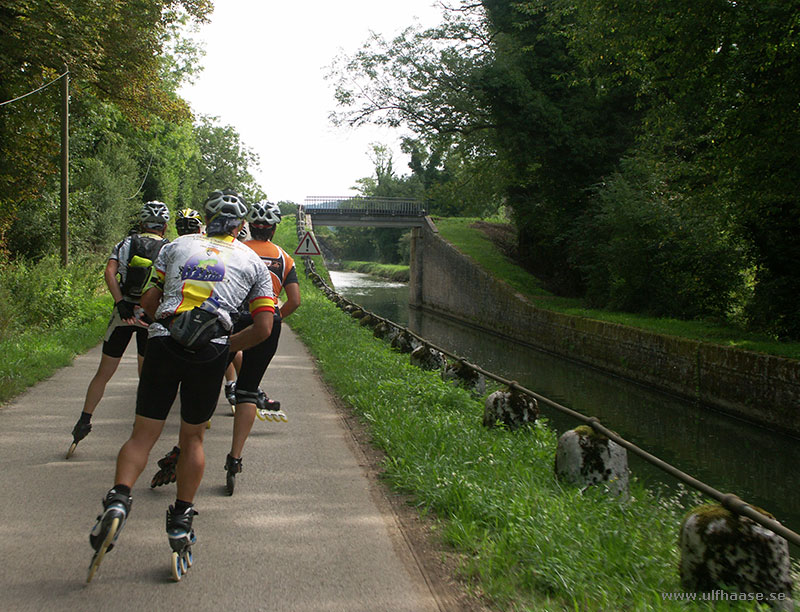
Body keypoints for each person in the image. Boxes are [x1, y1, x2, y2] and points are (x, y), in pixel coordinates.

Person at [86, 189, 275, 582]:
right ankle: (180, 523)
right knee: (192, 440)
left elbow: (152, 299)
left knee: (143, 435)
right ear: (241, 226)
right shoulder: (254, 262)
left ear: (206, 220)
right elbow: (263, 327)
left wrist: (163, 317)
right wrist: (226, 349)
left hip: (163, 340)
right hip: (210, 351)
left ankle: (119, 499)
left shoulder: (176, 246)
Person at [67, 201, 170, 459]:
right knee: (146, 375)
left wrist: (120, 302)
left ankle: (84, 420)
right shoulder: (170, 249)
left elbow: (109, 272)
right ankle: (140, 426)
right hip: (150, 316)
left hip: (123, 314)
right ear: (165, 226)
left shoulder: (125, 244)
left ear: (141, 223)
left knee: (104, 372)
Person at [224, 201, 300, 495]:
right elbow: (294, 301)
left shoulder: (235, 249)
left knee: (206, 378)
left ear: (249, 225)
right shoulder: (284, 258)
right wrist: (274, 316)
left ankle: (186, 446)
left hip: (231, 319)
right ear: (274, 227)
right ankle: (235, 458)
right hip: (266, 324)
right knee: (248, 390)